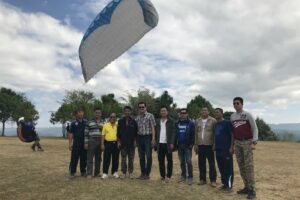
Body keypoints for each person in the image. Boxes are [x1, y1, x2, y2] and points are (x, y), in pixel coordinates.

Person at [230, 97, 258, 199]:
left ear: (242, 104)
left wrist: (254, 142)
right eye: (234, 103)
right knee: (241, 166)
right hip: (237, 143)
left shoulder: (247, 115)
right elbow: (233, 132)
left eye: (237, 103)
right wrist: (232, 145)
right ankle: (246, 186)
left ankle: (252, 190)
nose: (235, 105)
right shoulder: (232, 117)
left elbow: (255, 128)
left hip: (247, 142)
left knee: (249, 166)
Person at [194, 106, 217, 187]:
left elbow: (215, 133)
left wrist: (215, 144)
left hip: (209, 145)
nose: (204, 111)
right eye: (202, 110)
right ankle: (202, 179)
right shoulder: (197, 121)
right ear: (201, 112)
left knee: (211, 164)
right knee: (201, 163)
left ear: (208, 112)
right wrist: (195, 144)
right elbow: (196, 133)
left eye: (205, 110)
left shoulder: (213, 120)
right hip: (200, 145)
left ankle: (213, 180)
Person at [214, 108, 234, 191]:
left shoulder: (227, 123)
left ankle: (229, 186)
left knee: (228, 168)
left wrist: (231, 147)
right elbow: (215, 135)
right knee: (221, 168)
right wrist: (214, 145)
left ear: (222, 113)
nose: (216, 114)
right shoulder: (215, 124)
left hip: (226, 149)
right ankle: (224, 184)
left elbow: (232, 135)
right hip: (218, 150)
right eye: (215, 113)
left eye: (218, 112)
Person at [154, 106, 176, 183]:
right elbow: (155, 132)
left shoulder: (171, 121)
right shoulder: (157, 121)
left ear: (167, 112)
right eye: (162, 111)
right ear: (160, 112)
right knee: (161, 161)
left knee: (169, 160)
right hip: (160, 144)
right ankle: (163, 176)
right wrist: (155, 142)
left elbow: (173, 133)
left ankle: (168, 176)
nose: (163, 112)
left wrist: (172, 142)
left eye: (164, 110)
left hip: (168, 144)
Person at [135, 102, 156, 180]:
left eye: (143, 107)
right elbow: (136, 129)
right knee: (141, 157)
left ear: (145, 108)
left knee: (149, 156)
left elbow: (153, 127)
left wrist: (153, 138)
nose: (141, 109)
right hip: (140, 138)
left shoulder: (150, 116)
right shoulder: (137, 118)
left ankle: (147, 174)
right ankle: (142, 173)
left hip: (148, 137)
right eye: (140, 107)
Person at [117, 106, 138, 179]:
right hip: (123, 144)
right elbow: (118, 133)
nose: (127, 112)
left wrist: (135, 142)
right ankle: (123, 173)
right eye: (126, 111)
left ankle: (130, 173)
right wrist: (119, 142)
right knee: (123, 159)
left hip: (131, 144)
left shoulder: (134, 121)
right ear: (124, 112)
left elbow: (136, 133)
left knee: (131, 159)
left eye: (128, 111)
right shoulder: (120, 121)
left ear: (130, 112)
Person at [176, 108, 195, 185]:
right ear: (180, 114)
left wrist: (191, 145)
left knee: (188, 161)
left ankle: (190, 177)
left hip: (187, 145)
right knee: (182, 161)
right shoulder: (177, 123)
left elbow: (193, 135)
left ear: (187, 114)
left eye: (184, 113)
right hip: (180, 145)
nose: (183, 114)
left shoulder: (191, 123)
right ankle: (183, 175)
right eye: (181, 113)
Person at [84, 108, 104, 178]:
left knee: (98, 158)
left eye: (99, 113)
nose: (97, 114)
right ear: (93, 113)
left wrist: (103, 143)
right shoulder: (89, 122)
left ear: (101, 114)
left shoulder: (103, 123)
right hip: (91, 141)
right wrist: (86, 143)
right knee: (90, 158)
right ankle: (89, 173)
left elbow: (104, 134)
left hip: (100, 141)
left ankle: (97, 173)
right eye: (96, 112)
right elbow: (86, 133)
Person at [69, 109, 87, 178]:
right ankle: (72, 172)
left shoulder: (86, 122)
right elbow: (70, 134)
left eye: (82, 112)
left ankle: (83, 172)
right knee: (74, 158)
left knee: (84, 158)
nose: (81, 114)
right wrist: (70, 144)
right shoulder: (73, 123)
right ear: (76, 114)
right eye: (79, 112)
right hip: (76, 142)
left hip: (84, 142)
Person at [102, 112, 119, 179]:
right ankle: (105, 173)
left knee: (115, 159)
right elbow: (103, 135)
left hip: (116, 144)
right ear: (109, 118)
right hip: (107, 143)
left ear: (116, 118)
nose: (112, 118)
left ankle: (114, 172)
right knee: (106, 158)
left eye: (114, 117)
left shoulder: (118, 125)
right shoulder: (105, 125)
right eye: (111, 117)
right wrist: (102, 144)